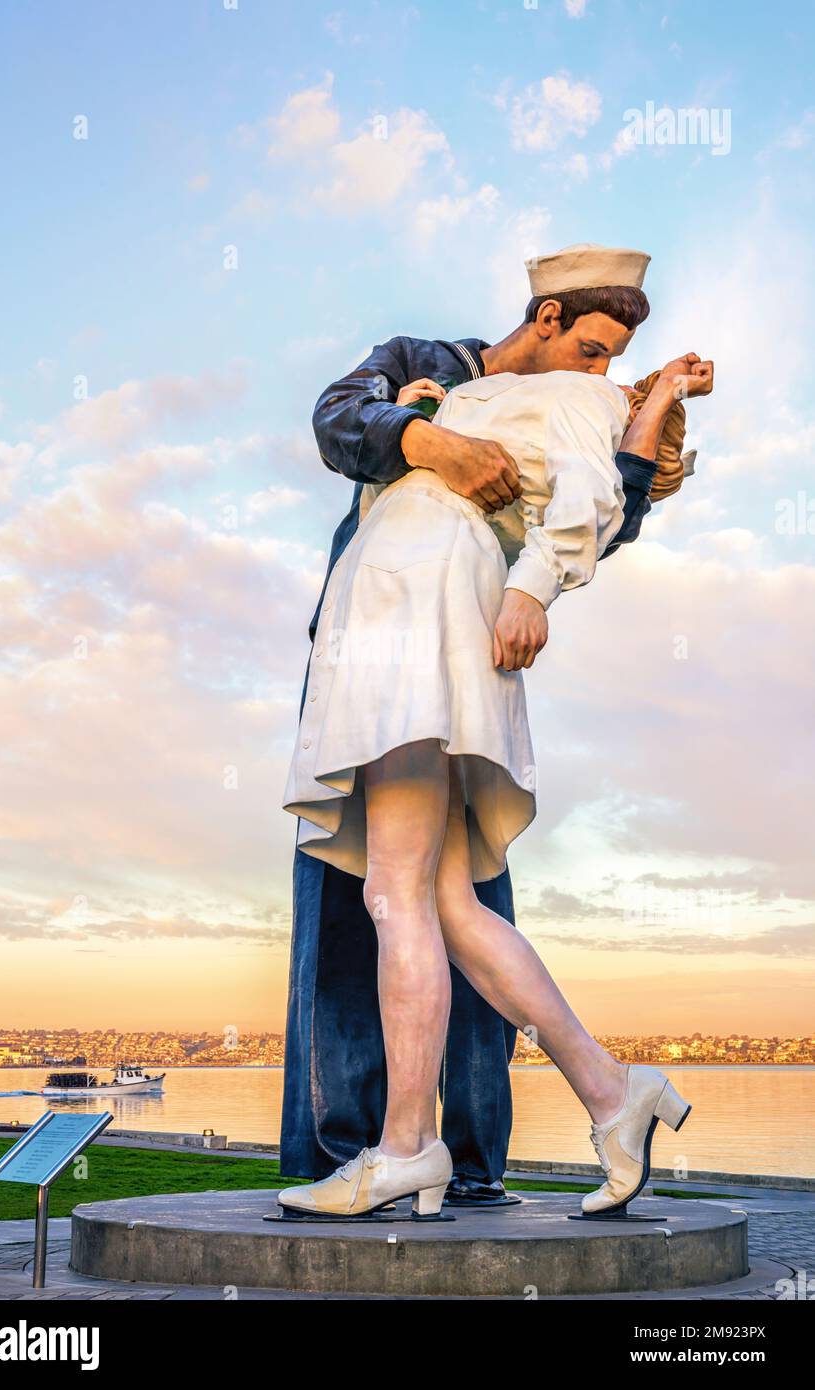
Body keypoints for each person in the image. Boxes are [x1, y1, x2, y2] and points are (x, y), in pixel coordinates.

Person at [279, 243, 711, 1207]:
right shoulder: (441, 367)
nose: (599, 368)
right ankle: (608, 1090)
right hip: (401, 615)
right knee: (442, 904)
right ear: (547, 319)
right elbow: (339, 417)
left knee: (395, 898)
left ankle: (408, 1148)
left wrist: (650, 412)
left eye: (613, 359)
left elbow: (601, 505)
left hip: (417, 612)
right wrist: (431, 428)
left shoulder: (573, 397)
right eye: (590, 346)